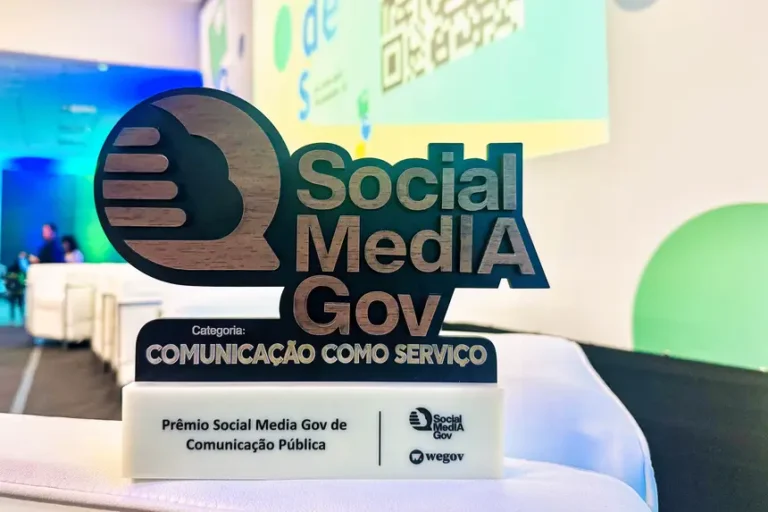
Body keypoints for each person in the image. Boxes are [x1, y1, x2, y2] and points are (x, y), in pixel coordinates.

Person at [4, 258, 25, 325]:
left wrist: (8, 289)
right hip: (19, 292)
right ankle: (22, 320)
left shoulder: (9, 271)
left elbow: (6, 282)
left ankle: (12, 320)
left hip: (12, 292)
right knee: (20, 306)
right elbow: (23, 282)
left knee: (12, 306)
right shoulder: (21, 272)